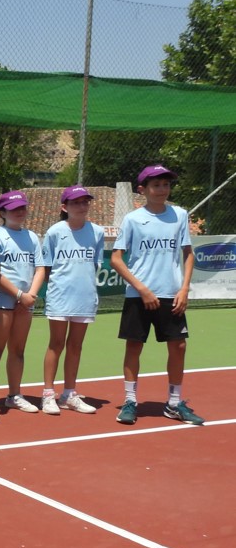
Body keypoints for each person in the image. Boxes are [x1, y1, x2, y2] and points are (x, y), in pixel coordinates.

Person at [110, 165, 203, 425]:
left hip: (171, 294)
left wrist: (184, 289)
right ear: (142, 190)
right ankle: (130, 401)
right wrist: (141, 289)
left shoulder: (180, 215)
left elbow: (187, 253)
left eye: (166, 184)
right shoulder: (133, 219)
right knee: (134, 346)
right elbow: (117, 258)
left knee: (179, 346)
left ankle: (174, 403)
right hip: (138, 295)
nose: (162, 190)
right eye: (156, 185)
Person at [38, 185, 104, 415]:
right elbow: (46, 267)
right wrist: (54, 289)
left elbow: (95, 264)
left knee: (75, 346)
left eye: (85, 202)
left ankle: (69, 394)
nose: (82, 206)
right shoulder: (55, 232)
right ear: (65, 207)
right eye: (76, 202)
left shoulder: (97, 232)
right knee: (56, 344)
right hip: (59, 297)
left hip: (85, 298)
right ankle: (48, 394)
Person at [0, 191, 45, 413]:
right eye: (14, 208)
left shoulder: (32, 237)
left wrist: (30, 296)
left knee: (18, 350)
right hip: (3, 302)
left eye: (23, 208)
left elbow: (40, 268)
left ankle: (14, 395)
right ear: (3, 212)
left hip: (25, 303)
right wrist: (19, 295)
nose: (20, 212)